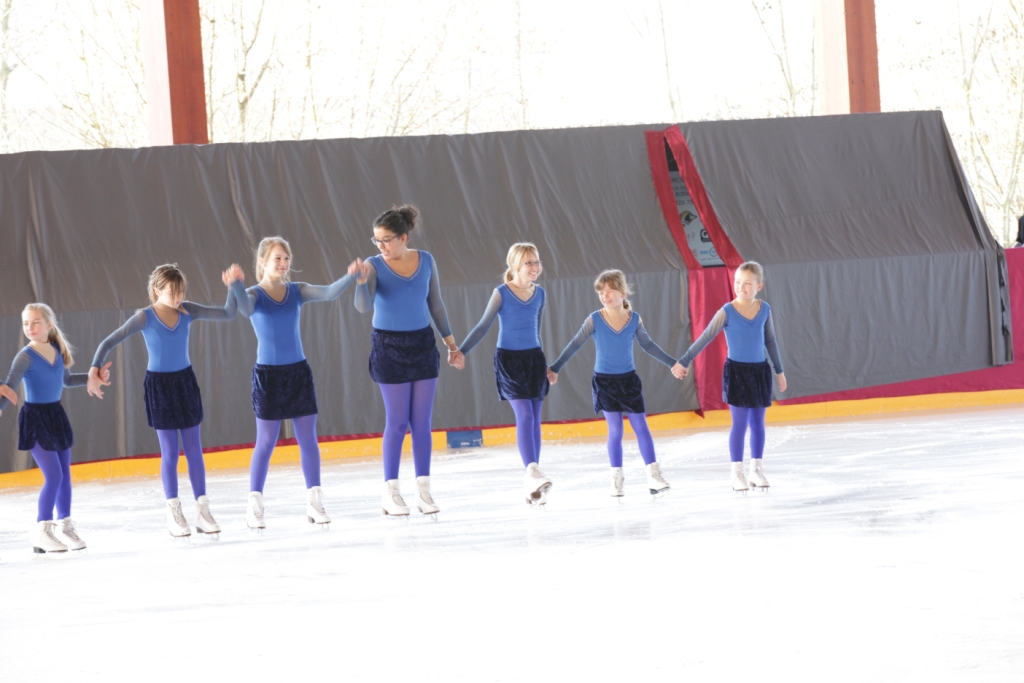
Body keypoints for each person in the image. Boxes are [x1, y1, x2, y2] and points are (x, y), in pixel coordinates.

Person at [88, 263, 247, 537]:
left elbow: (228, 313)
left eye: (181, 292)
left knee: (194, 450)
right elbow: (109, 341)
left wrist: (234, 286)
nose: (178, 298)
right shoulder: (144, 317)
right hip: (160, 388)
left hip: (185, 384)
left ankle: (202, 509)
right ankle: (173, 510)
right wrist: (94, 369)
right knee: (171, 452)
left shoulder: (188, 310)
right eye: (172, 292)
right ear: (156, 290)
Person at [236, 237, 358, 530]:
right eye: (277, 258)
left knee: (308, 439)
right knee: (266, 441)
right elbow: (244, 309)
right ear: (263, 262)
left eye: (286, 258)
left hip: (298, 374)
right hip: (268, 377)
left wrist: (351, 275)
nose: (283, 263)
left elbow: (328, 292)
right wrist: (236, 286)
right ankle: (254, 505)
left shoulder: (297, 290)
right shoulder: (253, 294)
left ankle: (314, 501)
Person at [350, 205, 462, 517]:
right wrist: (361, 282)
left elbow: (436, 304)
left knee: (422, 423)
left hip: (422, 345)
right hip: (388, 347)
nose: (381, 245)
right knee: (398, 422)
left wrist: (451, 344)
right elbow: (362, 306)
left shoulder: (426, 260)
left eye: (386, 240)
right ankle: (391, 492)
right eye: (376, 240)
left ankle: (424, 491)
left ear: (403, 238)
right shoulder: (372, 265)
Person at [547, 269, 677, 497]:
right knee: (615, 430)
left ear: (623, 293)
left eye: (609, 291)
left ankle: (653, 475)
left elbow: (648, 345)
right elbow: (575, 343)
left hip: (629, 381)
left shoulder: (634, 319)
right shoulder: (594, 319)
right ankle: (617, 478)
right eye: (601, 292)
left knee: (641, 426)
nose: (604, 296)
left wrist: (673, 363)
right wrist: (555, 367)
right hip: (604, 382)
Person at [0, 303, 109, 553]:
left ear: (49, 325)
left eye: (35, 322)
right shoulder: (25, 356)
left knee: (65, 476)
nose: (30, 327)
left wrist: (93, 377)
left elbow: (67, 381)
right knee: (54, 476)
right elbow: (9, 388)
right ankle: (42, 531)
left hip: (56, 416)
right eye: (26, 323)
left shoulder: (57, 350)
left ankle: (65, 526)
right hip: (35, 419)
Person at [672, 261, 787, 491]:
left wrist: (779, 371)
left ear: (759, 286)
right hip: (737, 374)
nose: (741, 287)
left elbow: (770, 341)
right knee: (740, 423)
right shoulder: (726, 311)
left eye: (747, 283)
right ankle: (737, 473)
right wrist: (683, 361)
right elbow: (705, 337)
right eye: (738, 282)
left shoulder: (764, 309)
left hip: (759, 372)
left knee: (758, 423)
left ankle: (756, 470)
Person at [459, 243, 551, 505]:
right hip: (509, 362)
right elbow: (482, 326)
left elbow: (537, 330)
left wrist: (545, 365)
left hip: (534, 361)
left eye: (537, 262)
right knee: (524, 415)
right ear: (515, 266)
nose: (534, 267)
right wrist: (461, 351)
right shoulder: (501, 293)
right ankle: (532, 471)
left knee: (535, 419)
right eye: (528, 263)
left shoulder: (540, 294)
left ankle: (531, 480)